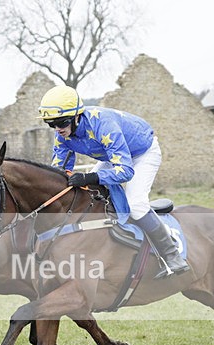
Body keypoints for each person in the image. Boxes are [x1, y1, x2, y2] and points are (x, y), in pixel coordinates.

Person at [37, 85, 190, 278]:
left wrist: (90, 177)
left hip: (142, 154)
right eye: (51, 124)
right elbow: (60, 171)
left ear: (77, 116)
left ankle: (171, 255)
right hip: (112, 156)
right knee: (88, 194)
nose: (58, 129)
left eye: (61, 122)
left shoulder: (103, 125)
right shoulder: (62, 134)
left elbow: (126, 171)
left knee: (135, 204)